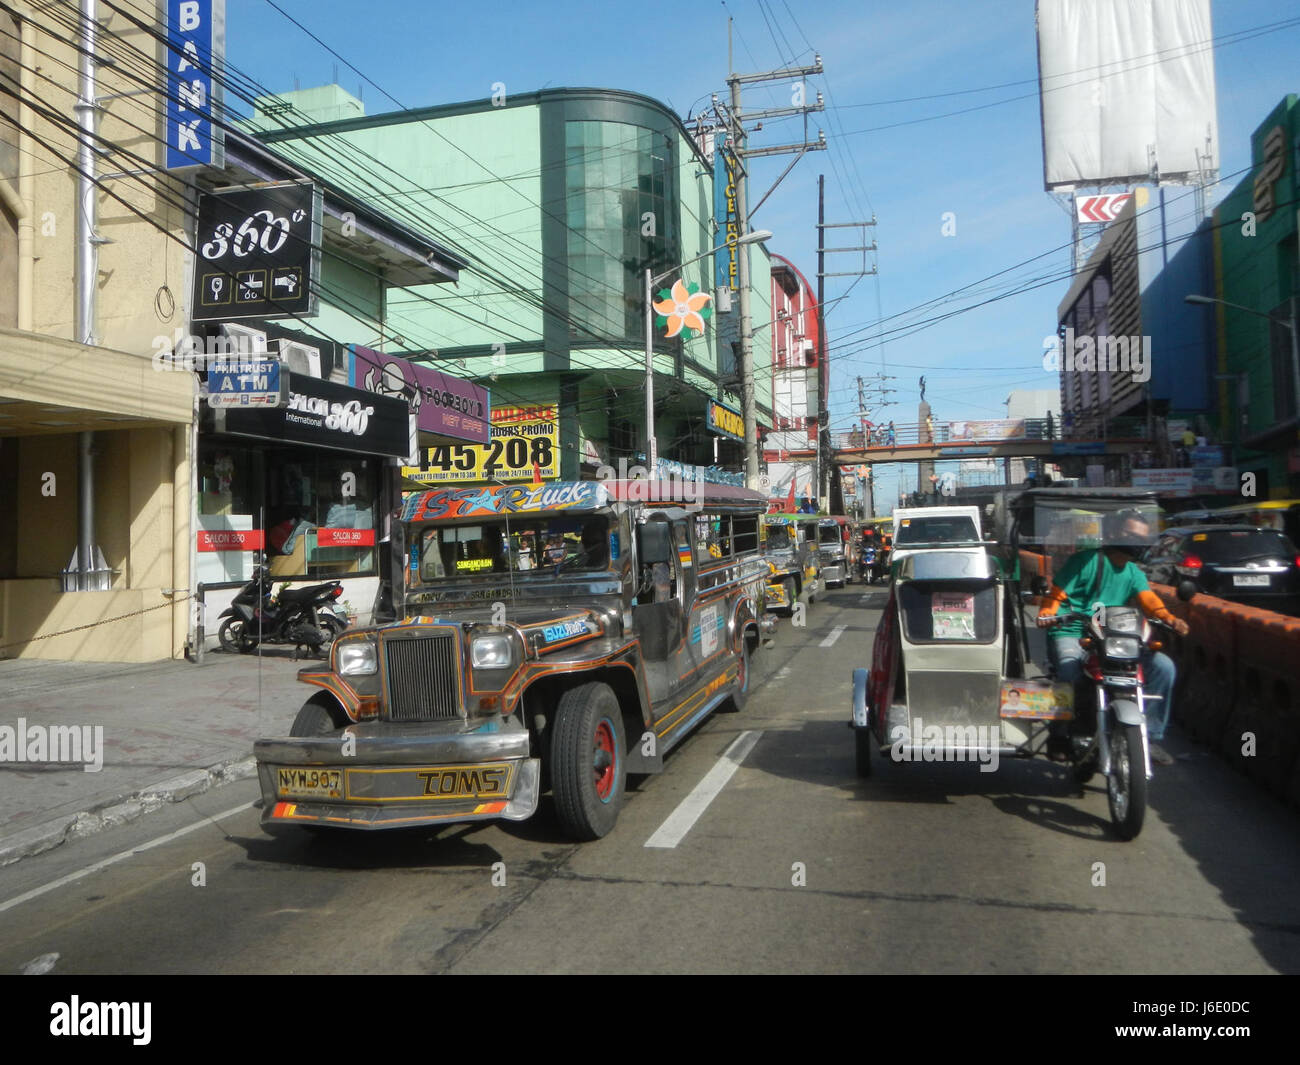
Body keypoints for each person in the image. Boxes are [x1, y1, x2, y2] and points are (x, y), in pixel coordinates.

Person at [1036, 508, 1188, 765]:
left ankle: (1148, 737)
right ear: (1115, 534)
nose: (1136, 543)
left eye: (1140, 537)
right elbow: (1057, 593)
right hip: (1072, 631)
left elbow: (1149, 600)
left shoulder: (1133, 572)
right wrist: (1048, 612)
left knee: (1164, 668)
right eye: (1130, 535)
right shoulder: (1085, 562)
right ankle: (1059, 735)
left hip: (1113, 637)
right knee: (1069, 671)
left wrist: (1170, 619)